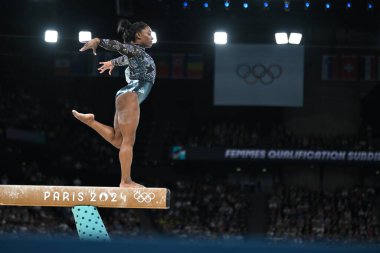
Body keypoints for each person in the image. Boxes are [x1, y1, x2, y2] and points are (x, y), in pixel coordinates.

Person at [72, 19, 155, 188]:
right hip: (131, 94)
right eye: (149, 33)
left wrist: (112, 62)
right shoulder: (135, 49)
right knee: (128, 141)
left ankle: (91, 121)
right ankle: (125, 181)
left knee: (118, 140)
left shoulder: (138, 53)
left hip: (127, 94)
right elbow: (119, 46)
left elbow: (125, 57)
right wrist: (98, 41)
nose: (152, 37)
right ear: (138, 35)